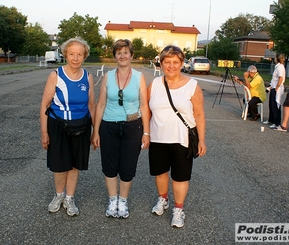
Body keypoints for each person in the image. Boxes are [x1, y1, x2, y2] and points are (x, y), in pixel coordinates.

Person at [148, 45, 206, 228]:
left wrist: (202, 140)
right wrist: (145, 134)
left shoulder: (192, 86)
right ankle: (162, 199)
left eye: (175, 62)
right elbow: (147, 111)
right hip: (158, 138)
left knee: (180, 177)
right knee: (160, 173)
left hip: (182, 139)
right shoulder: (155, 84)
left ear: (182, 63)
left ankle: (178, 209)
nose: (171, 66)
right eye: (167, 62)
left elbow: (199, 114)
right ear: (161, 63)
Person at [92, 39, 150, 219]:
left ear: (132, 55)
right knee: (109, 165)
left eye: (126, 52)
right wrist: (96, 131)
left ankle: (123, 201)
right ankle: (112, 200)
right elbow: (100, 104)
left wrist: (146, 132)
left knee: (128, 165)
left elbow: (144, 106)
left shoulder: (139, 77)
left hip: (133, 126)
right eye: (119, 52)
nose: (122, 55)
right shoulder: (108, 77)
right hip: (109, 126)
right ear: (115, 56)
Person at [39, 37, 95, 216]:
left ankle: (70, 198)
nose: (75, 58)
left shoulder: (88, 77)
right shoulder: (56, 75)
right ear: (65, 55)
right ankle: (58, 195)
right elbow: (44, 105)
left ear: (84, 56)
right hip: (58, 126)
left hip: (81, 126)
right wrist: (44, 132)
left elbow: (92, 106)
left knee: (74, 165)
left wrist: (95, 132)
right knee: (60, 165)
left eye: (79, 54)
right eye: (72, 54)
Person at [266, 53, 286, 129]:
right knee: (271, 104)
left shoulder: (280, 67)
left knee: (275, 105)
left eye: (275, 58)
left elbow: (280, 78)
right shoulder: (277, 67)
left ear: (277, 58)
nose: (274, 59)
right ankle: (271, 119)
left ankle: (276, 122)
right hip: (273, 87)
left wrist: (277, 87)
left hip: (277, 88)